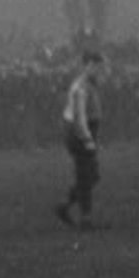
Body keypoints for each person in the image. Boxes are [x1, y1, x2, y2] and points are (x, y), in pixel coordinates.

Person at [55, 51, 106, 230]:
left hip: (83, 132)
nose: (98, 69)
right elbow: (79, 119)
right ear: (84, 66)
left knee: (91, 176)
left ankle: (64, 206)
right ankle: (86, 218)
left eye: (99, 66)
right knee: (86, 176)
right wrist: (88, 141)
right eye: (93, 66)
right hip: (79, 133)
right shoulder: (80, 86)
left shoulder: (90, 83)